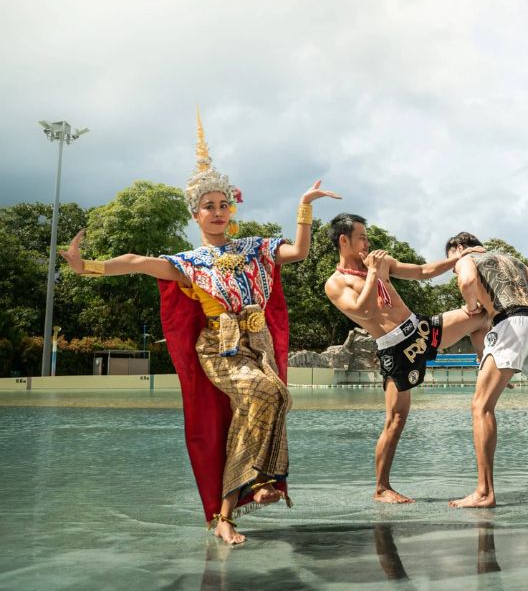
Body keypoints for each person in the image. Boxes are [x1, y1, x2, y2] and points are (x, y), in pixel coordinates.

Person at [59, 110, 340, 544]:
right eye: (208, 206)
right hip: (220, 349)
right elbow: (136, 263)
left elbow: (300, 252)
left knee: (273, 398)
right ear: (196, 214)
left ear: (232, 209)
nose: (217, 212)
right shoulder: (188, 264)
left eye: (223, 205)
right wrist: (86, 266)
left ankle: (236, 505)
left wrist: (303, 205)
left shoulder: (254, 249)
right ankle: (249, 490)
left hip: (258, 343)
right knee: (266, 393)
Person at [324, 214, 490, 504]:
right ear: (344, 240)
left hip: (420, 329)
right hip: (395, 348)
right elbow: (362, 312)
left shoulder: (380, 262)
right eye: (362, 236)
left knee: (480, 316)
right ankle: (381, 488)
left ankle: (485, 365)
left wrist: (460, 257)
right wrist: (374, 273)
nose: (367, 242)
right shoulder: (336, 283)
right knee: (396, 419)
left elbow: (424, 271)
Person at [444, 232, 528, 508]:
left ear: (458, 248)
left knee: (481, 407)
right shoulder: (513, 259)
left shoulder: (465, 258)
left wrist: (472, 307)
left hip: (509, 323)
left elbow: (467, 281)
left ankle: (484, 492)